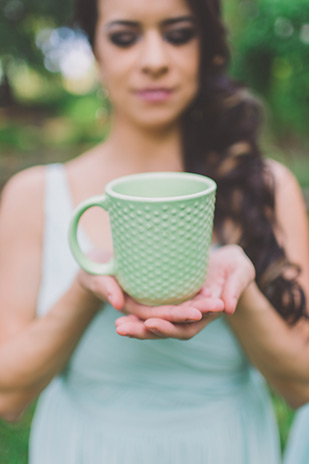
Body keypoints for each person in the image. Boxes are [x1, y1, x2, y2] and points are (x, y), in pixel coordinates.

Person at [0, 0, 308, 462]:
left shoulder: (266, 186)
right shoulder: (34, 196)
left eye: (178, 34)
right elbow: (8, 397)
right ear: (96, 51)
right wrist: (87, 288)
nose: (154, 60)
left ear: (205, 48)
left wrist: (233, 293)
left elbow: (301, 385)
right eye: (125, 38)